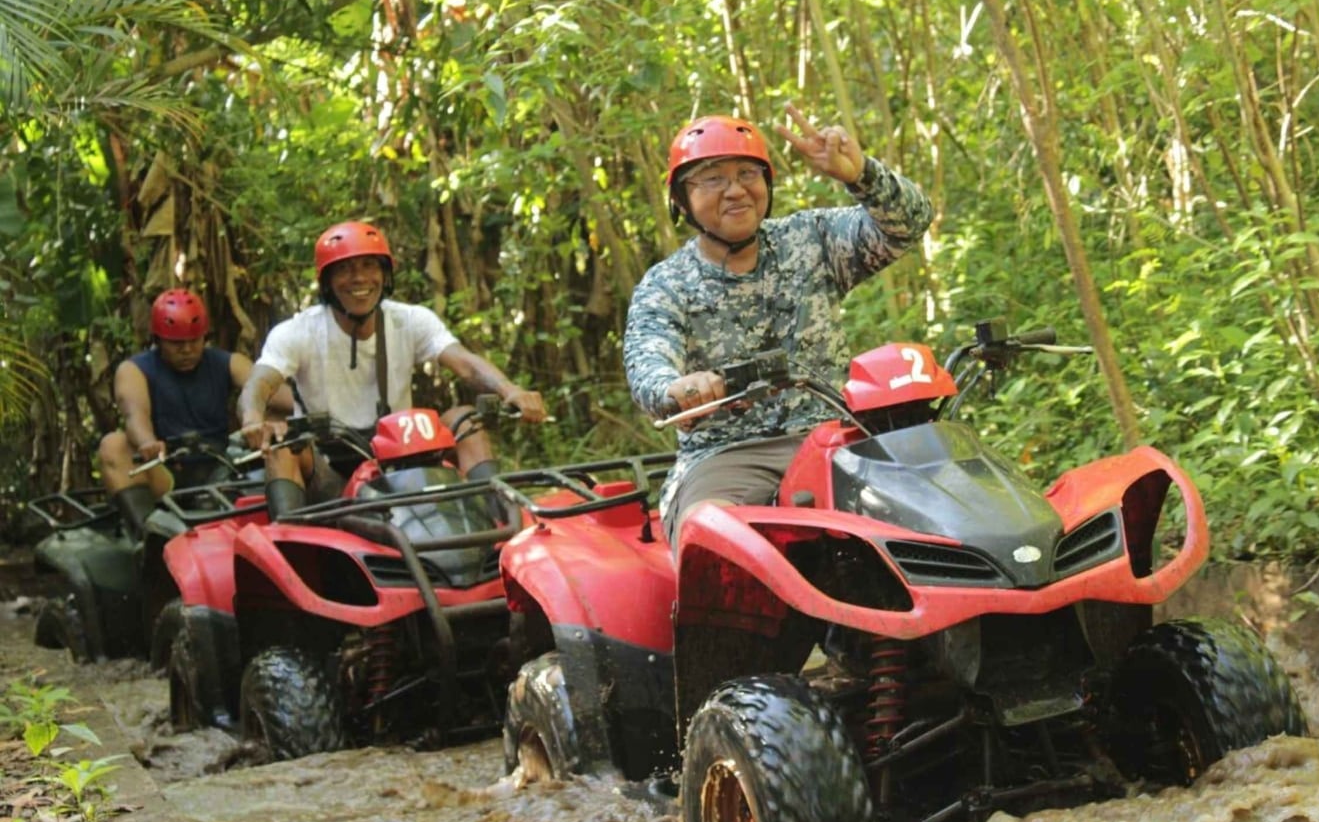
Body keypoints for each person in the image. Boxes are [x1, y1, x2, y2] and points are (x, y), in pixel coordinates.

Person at [623, 105, 935, 545]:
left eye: (748, 174)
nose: (735, 191)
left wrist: (859, 173)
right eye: (712, 179)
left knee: (937, 514)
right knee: (712, 536)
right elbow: (647, 364)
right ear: (682, 201)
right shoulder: (666, 284)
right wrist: (678, 389)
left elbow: (910, 222)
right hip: (726, 456)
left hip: (834, 442)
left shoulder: (810, 239)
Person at [237, 221, 547, 518]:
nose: (359, 278)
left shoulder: (410, 320)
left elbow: (464, 363)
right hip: (326, 463)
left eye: (369, 266)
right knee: (281, 447)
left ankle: (500, 527)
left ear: (385, 276)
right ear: (327, 283)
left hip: (403, 461)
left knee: (464, 420)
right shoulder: (299, 331)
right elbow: (260, 381)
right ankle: (291, 546)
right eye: (345, 269)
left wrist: (512, 391)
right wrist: (253, 419)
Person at [98, 288, 266, 536]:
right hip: (166, 473)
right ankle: (147, 535)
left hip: (223, 469)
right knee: (113, 444)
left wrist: (261, 418)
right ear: (158, 340)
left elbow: (269, 388)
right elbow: (135, 414)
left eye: (194, 340)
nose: (187, 349)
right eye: (176, 343)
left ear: (204, 337)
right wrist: (147, 443)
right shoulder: (135, 369)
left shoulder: (227, 362)